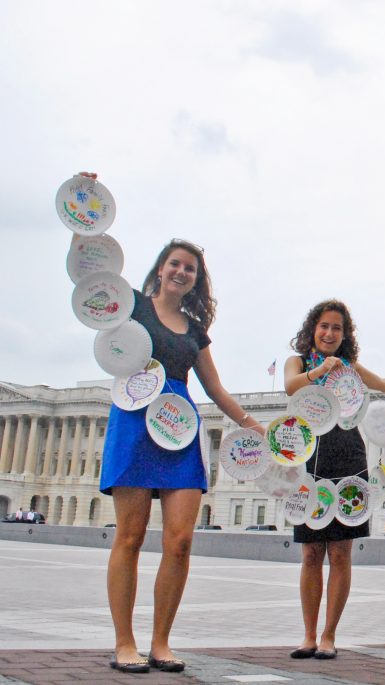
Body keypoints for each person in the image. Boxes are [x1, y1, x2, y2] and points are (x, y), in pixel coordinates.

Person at [98, 230, 264, 674]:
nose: (182, 271)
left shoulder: (196, 331)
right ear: (160, 268)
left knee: (181, 541)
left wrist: (253, 426)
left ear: (196, 280)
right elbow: (90, 273)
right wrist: (88, 210)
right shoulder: (132, 305)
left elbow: (214, 388)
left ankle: (161, 641)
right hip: (134, 419)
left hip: (178, 425)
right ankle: (124, 642)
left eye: (190, 268)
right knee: (130, 537)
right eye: (175, 263)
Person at [285, 299, 385, 660]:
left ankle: (328, 636)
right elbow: (291, 386)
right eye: (324, 326)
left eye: (337, 328)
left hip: (348, 454)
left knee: (340, 551)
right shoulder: (298, 361)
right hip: (308, 454)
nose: (329, 333)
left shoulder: (350, 368)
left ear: (345, 334)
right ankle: (308, 635)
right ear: (313, 329)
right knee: (311, 552)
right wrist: (319, 370)